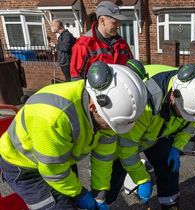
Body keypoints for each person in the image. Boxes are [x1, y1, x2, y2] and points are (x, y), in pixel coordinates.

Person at [0, 61, 147, 210]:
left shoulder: (107, 115)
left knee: (71, 198)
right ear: (93, 107)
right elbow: (53, 171)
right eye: (110, 125)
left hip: (59, 159)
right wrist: (80, 194)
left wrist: (99, 194)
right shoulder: (54, 117)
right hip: (24, 166)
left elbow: (104, 158)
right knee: (58, 206)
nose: (113, 131)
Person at [104, 62, 195, 209]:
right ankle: (103, 203)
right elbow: (126, 147)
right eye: (182, 114)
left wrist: (176, 147)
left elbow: (190, 126)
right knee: (113, 176)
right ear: (173, 97)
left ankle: (170, 204)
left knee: (168, 168)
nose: (185, 119)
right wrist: (141, 178)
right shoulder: (146, 102)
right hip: (130, 134)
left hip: (159, 134)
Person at [70, 1, 132, 80]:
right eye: (115, 22)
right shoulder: (83, 45)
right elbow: (76, 80)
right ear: (102, 21)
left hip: (122, 90)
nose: (118, 26)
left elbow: (131, 66)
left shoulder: (122, 43)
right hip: (96, 91)